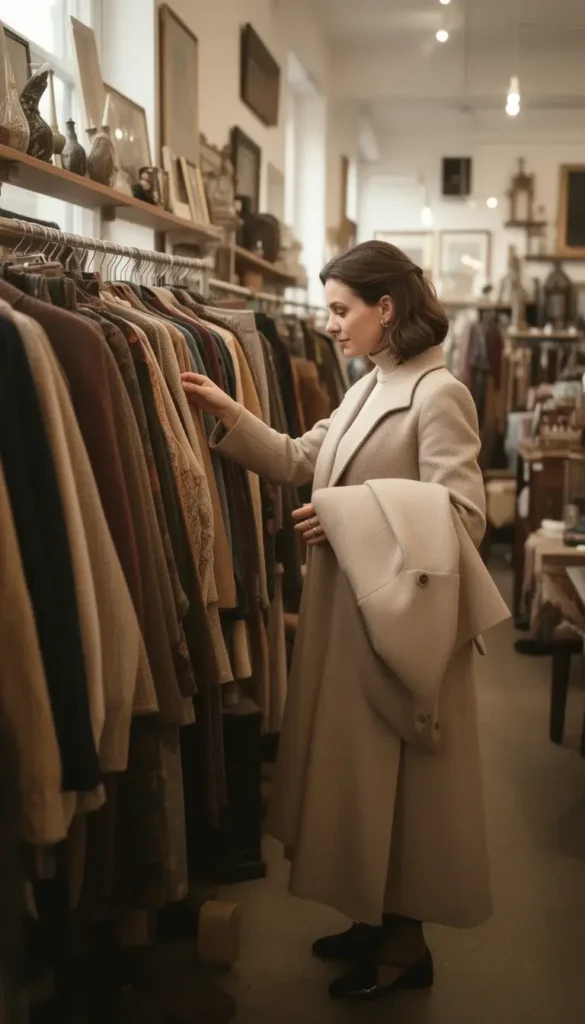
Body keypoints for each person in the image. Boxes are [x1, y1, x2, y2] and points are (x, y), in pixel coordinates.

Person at [182, 241, 508, 1002]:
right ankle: (371, 923)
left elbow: (466, 518)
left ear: (383, 308)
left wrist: (353, 514)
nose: (329, 325)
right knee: (363, 786)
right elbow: (303, 458)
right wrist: (230, 415)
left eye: (339, 310)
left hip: (400, 625)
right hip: (356, 621)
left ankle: (403, 948)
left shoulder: (437, 394)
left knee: (402, 790)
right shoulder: (371, 385)